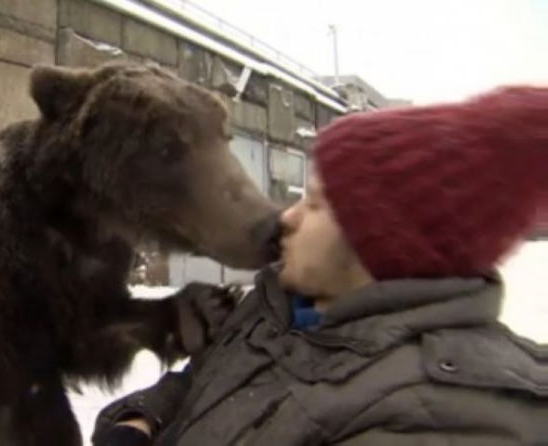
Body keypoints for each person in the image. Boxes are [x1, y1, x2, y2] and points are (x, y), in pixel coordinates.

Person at [92, 86, 548, 445]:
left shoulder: (436, 419)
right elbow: (203, 381)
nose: (287, 217)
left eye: (316, 204)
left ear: (381, 240)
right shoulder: (279, 306)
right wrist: (142, 420)